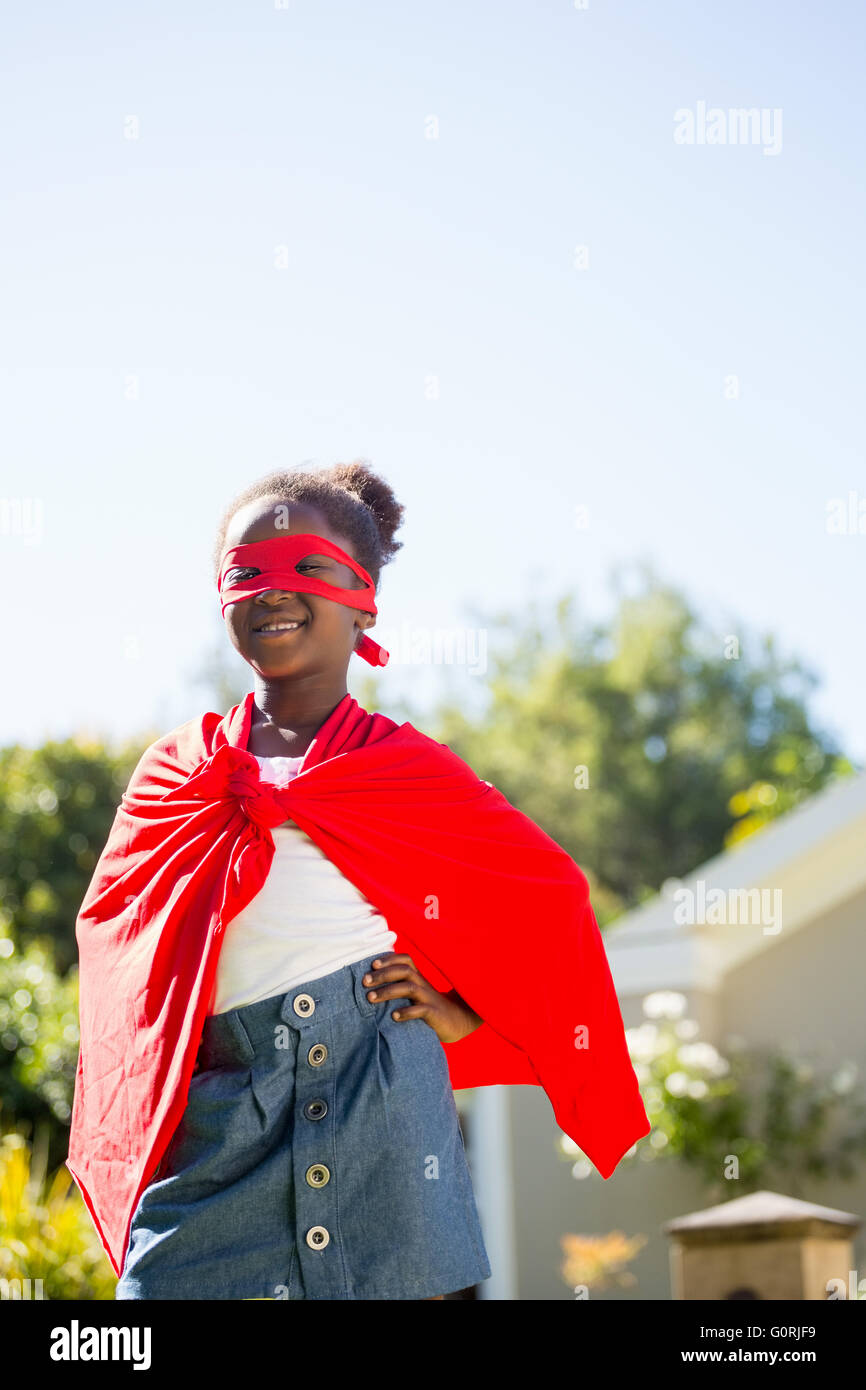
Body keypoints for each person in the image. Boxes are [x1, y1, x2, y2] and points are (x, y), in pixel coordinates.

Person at [67, 459, 650, 1301]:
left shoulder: (405, 769)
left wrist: (462, 1018)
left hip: (383, 1109)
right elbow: (115, 937)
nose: (274, 589)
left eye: (309, 568)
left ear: (362, 602)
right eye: (246, 574)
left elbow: (546, 895)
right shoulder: (177, 771)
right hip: (225, 1120)